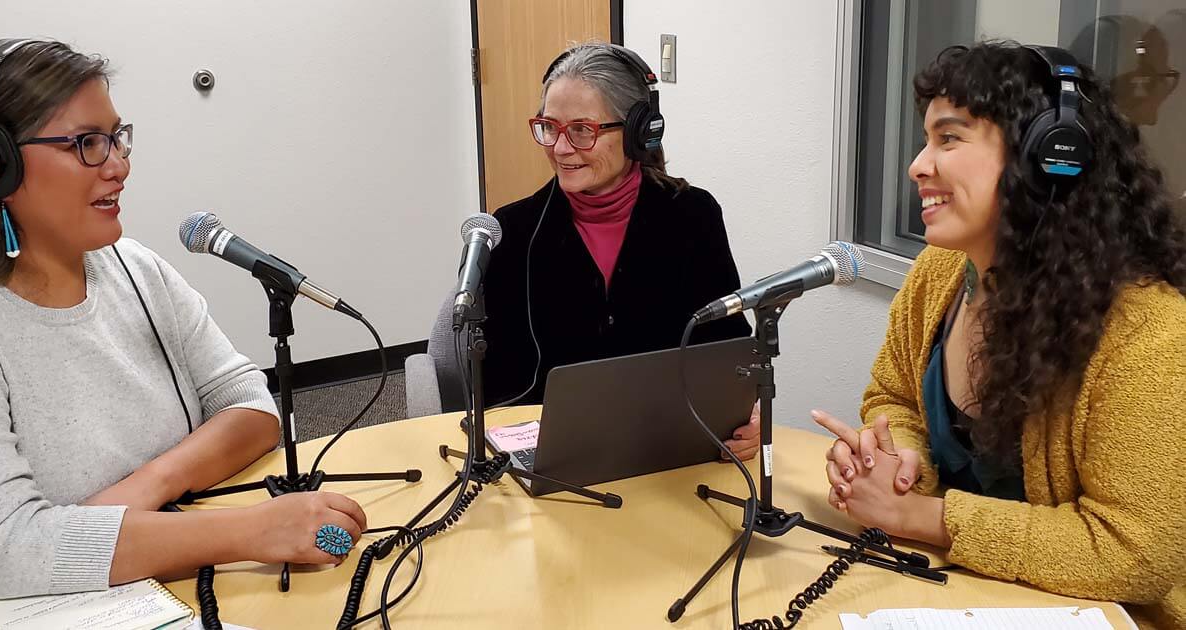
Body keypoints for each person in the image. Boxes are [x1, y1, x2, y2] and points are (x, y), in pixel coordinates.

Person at [0, 40, 366, 629]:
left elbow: (251, 407)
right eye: (87, 144)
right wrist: (249, 530)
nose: (119, 165)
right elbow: (9, 553)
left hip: (169, 584)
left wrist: (149, 485)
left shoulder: (135, 268)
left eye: (117, 136)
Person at [812, 42, 1186, 628]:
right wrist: (901, 459)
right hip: (948, 592)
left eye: (949, 138)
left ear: (1047, 157)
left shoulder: (1148, 333)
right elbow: (895, 396)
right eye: (925, 138)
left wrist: (920, 517)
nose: (916, 164)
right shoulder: (941, 273)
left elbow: (1135, 554)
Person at [480, 43, 758, 460]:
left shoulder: (693, 216)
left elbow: (726, 348)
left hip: (672, 450)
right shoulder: (514, 230)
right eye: (549, 127)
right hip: (551, 457)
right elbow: (498, 378)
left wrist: (741, 420)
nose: (559, 148)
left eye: (581, 130)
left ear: (637, 132)